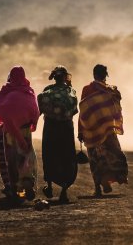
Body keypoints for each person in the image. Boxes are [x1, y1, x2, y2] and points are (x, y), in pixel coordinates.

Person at [78, 64, 128, 197]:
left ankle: (98, 187)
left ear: (94, 74)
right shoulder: (110, 91)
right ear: (105, 76)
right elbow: (116, 109)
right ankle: (115, 177)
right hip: (107, 131)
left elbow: (83, 111)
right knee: (112, 154)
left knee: (95, 158)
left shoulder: (87, 89)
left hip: (91, 131)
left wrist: (80, 130)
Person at [0, 66, 40, 202]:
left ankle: (18, 192)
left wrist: (2, 120)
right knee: (26, 158)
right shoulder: (28, 91)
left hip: (9, 132)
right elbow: (35, 110)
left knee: (12, 160)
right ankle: (27, 183)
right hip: (25, 131)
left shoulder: (5, 91)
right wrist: (33, 124)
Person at [37, 66, 78, 203]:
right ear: (65, 77)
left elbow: (40, 109)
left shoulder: (47, 91)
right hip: (66, 128)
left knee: (50, 154)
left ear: (54, 77)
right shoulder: (71, 91)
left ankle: (49, 186)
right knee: (66, 156)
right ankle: (64, 190)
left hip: (51, 128)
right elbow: (73, 111)